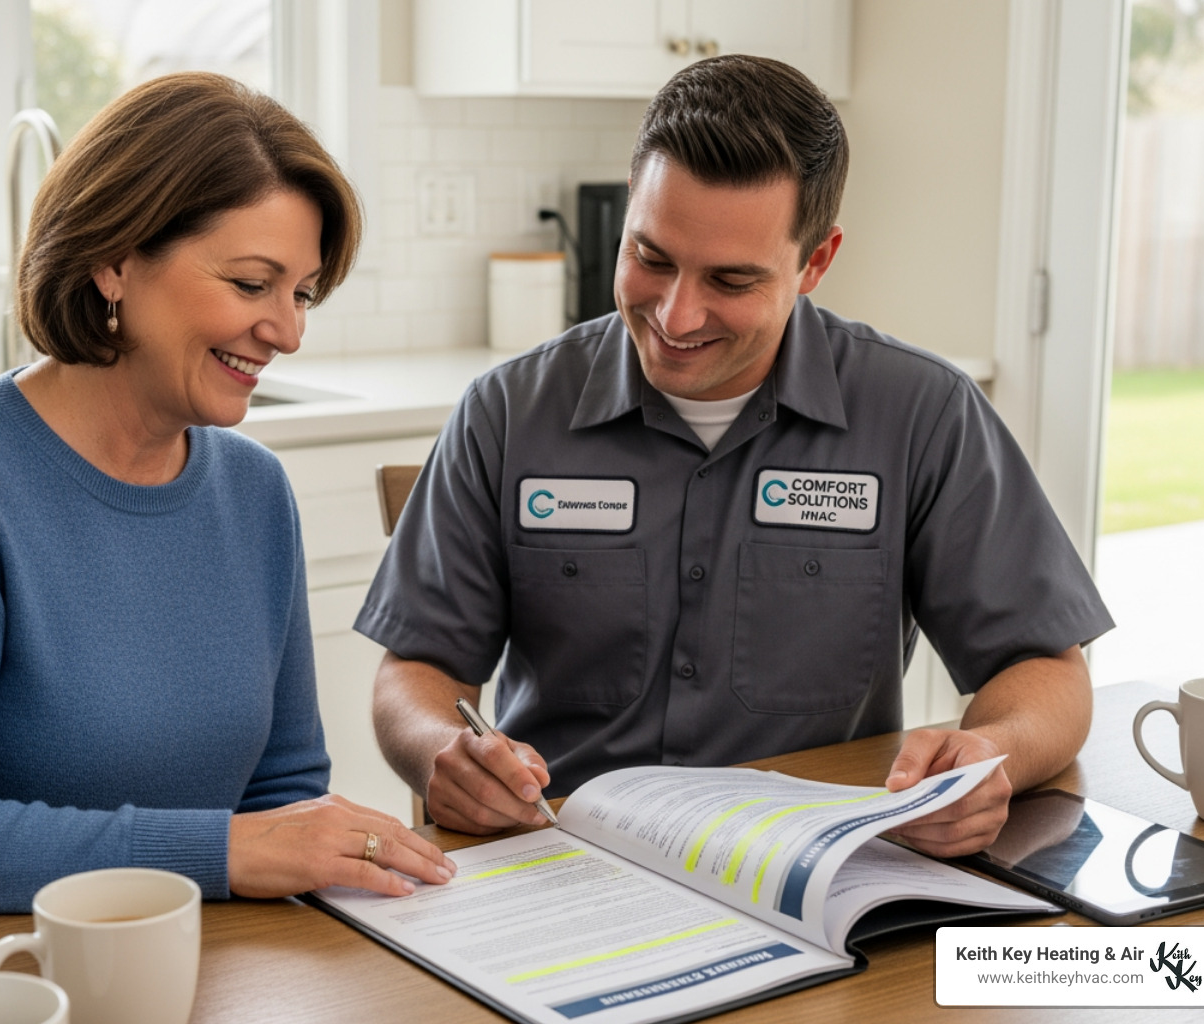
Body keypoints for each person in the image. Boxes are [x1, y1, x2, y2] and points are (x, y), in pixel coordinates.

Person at [359, 55, 1113, 858]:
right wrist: (442, 749)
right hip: (561, 863)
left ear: (815, 263)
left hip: (813, 870)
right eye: (650, 257)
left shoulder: (923, 412)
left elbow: (1048, 668)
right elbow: (417, 669)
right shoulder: (507, 412)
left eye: (730, 279)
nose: (676, 314)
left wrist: (988, 755)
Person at [0, 72, 454, 952]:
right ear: (115, 261)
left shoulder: (253, 492)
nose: (287, 333)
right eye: (253, 284)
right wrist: (221, 852)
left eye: (302, 294)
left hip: (148, 968)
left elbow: (281, 790)